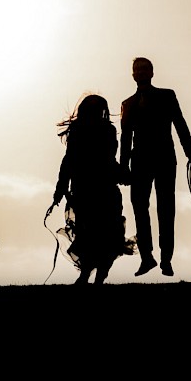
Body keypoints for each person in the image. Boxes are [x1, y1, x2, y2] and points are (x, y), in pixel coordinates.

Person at [119, 57, 191, 277]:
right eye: (137, 70)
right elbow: (125, 138)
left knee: (166, 209)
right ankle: (147, 257)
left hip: (164, 159)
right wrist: (124, 167)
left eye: (144, 69)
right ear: (133, 75)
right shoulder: (128, 104)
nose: (141, 73)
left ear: (152, 73)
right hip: (140, 161)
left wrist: (189, 149)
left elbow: (180, 122)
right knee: (139, 207)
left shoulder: (167, 96)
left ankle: (166, 259)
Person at [49, 94, 131, 284]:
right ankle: (89, 274)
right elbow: (70, 160)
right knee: (92, 235)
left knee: (105, 235)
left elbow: (107, 161)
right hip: (88, 190)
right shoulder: (84, 130)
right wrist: (60, 189)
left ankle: (96, 275)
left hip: (99, 189)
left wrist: (60, 189)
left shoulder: (106, 131)